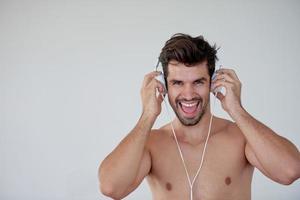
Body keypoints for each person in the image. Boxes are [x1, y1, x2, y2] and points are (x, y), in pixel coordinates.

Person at [98, 33, 300, 200]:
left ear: (213, 81)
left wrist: (236, 110)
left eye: (198, 82)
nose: (188, 94)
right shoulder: (151, 143)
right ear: (164, 85)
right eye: (177, 83)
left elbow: (290, 171)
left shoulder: (240, 137)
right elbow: (111, 187)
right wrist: (147, 115)